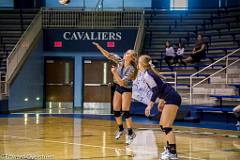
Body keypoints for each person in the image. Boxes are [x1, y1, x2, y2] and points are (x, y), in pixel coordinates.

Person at [92, 42, 137, 145]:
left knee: (126, 111)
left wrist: (114, 73)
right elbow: (108, 55)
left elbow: (122, 82)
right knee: (116, 110)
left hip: (126, 89)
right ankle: (121, 129)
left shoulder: (131, 69)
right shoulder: (120, 62)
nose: (125, 54)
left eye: (128, 54)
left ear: (131, 58)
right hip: (118, 87)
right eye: (126, 53)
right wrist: (99, 47)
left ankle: (130, 133)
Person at [138, 55, 181, 160]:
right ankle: (168, 149)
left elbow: (156, 90)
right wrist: (161, 101)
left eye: (138, 63)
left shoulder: (147, 75)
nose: (137, 65)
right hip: (168, 97)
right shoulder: (148, 73)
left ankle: (173, 153)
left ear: (142, 64)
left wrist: (150, 105)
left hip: (172, 97)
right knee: (162, 125)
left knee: (167, 126)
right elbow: (161, 87)